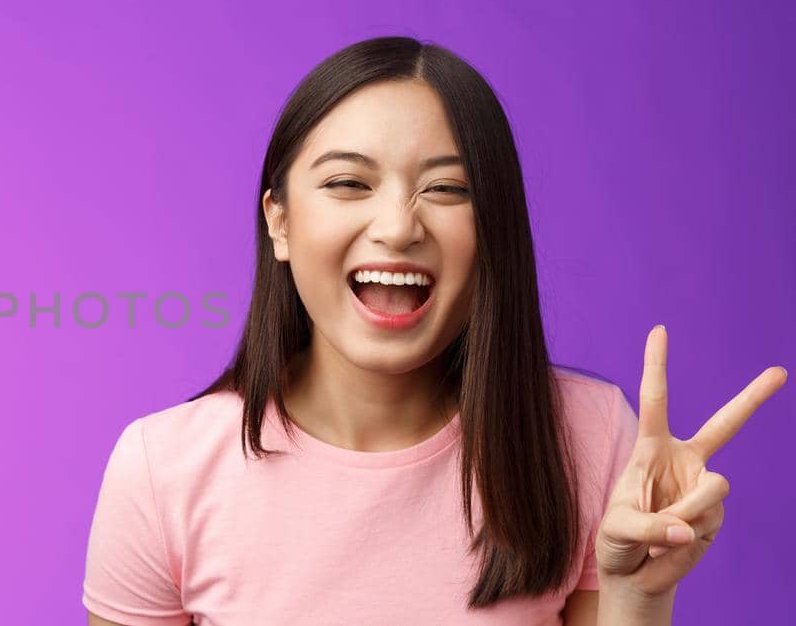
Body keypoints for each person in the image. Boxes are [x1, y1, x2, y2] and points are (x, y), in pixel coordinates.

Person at [81, 36, 786, 626]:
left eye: (447, 189)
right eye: (348, 183)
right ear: (280, 220)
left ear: (495, 229)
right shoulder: (161, 468)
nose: (397, 227)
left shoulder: (589, 437)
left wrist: (638, 595)